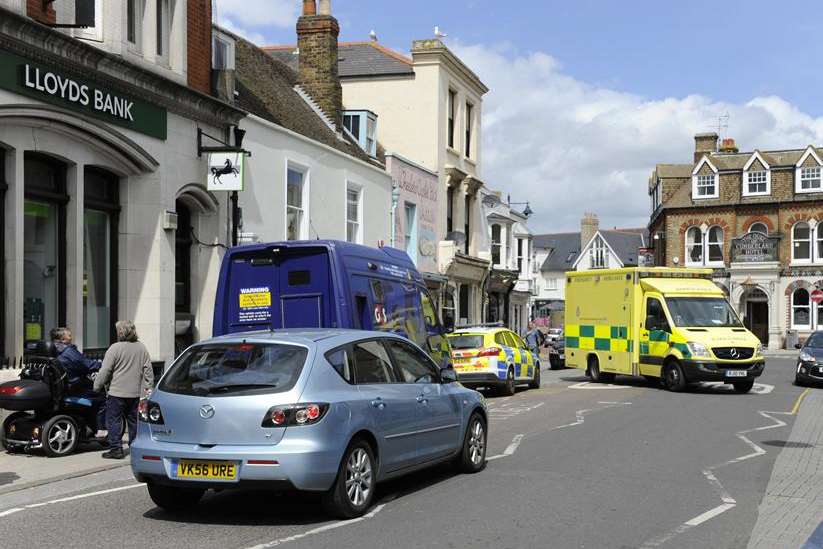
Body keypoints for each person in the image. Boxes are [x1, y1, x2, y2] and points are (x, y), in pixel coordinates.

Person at [94, 320, 154, 460]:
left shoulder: (114, 348)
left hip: (117, 393)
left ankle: (116, 449)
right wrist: (148, 389)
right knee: (134, 421)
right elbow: (148, 371)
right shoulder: (141, 348)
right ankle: (134, 448)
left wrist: (97, 386)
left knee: (113, 421)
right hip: (135, 394)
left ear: (120, 332)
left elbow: (105, 371)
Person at [50, 327, 106, 437]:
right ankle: (101, 430)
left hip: (62, 389)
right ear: (63, 339)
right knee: (102, 399)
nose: (71, 336)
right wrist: (102, 366)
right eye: (68, 335)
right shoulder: (69, 352)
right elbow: (87, 365)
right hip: (75, 388)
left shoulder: (54, 350)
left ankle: (88, 426)